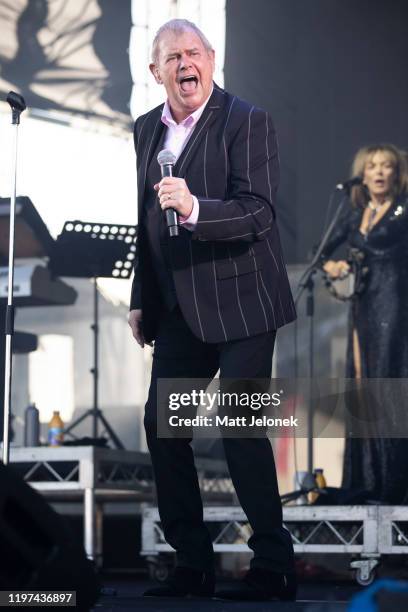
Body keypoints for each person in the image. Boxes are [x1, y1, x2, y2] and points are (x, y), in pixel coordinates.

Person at [128, 19, 297, 601]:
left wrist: (197, 209)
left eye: (193, 52)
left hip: (246, 302)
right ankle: (192, 562)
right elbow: (146, 219)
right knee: (162, 427)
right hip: (179, 308)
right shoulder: (147, 129)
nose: (184, 64)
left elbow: (258, 212)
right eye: (172, 56)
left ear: (212, 58)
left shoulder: (246, 119)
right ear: (156, 72)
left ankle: (273, 566)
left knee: (241, 427)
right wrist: (140, 298)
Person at [322, 143, 408, 503]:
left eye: (386, 166)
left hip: (397, 309)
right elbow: (322, 251)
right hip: (364, 310)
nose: (378, 172)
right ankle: (368, 480)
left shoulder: (403, 213)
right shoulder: (354, 213)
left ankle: (394, 484)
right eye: (371, 165)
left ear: (396, 173)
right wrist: (333, 265)